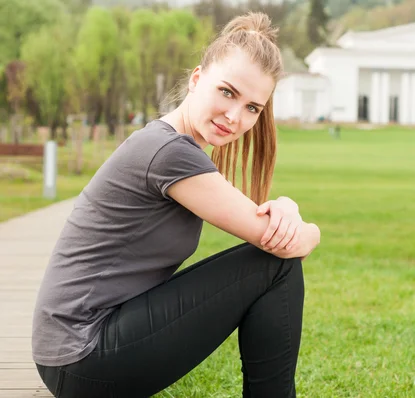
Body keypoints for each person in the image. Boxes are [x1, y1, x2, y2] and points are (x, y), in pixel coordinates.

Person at [32, 12, 321, 398]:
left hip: (75, 352)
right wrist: (300, 219)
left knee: (273, 264)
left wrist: (288, 209)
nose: (235, 117)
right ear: (197, 79)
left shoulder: (170, 145)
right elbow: (283, 243)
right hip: (81, 354)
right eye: (228, 92)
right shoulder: (169, 153)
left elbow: (275, 232)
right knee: (275, 267)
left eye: (253, 107)